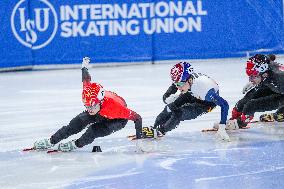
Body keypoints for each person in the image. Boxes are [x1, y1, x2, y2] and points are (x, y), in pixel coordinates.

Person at [33, 57, 142, 152]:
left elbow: (138, 118)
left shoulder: (116, 108)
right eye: (86, 106)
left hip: (116, 119)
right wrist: (84, 67)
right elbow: (86, 79)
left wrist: (139, 141)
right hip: (100, 111)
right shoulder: (89, 94)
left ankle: (76, 144)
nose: (89, 109)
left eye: (91, 106)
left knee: (93, 131)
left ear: (100, 101)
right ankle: (51, 141)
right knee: (75, 124)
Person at [145, 62, 230, 141]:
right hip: (192, 93)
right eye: (176, 84)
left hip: (206, 103)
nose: (178, 88)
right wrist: (168, 98)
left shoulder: (205, 90)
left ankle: (160, 132)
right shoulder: (183, 81)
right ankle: (154, 127)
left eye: (180, 84)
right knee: (169, 108)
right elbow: (167, 96)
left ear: (189, 80)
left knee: (178, 113)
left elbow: (225, 105)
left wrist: (222, 126)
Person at [227, 54, 284, 129]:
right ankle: (235, 120)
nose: (250, 80)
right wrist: (234, 117)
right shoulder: (266, 69)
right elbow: (268, 57)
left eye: (253, 76)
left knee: (251, 106)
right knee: (243, 102)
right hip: (275, 86)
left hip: (281, 90)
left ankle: (240, 123)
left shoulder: (279, 78)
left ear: (264, 74)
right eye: (250, 76)